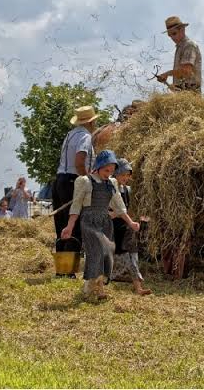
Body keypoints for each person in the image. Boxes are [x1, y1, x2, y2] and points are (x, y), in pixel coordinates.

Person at [61, 150, 140, 301]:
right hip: (89, 221)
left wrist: (130, 222)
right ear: (98, 166)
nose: (108, 174)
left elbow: (119, 205)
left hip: (105, 222)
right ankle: (90, 288)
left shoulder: (112, 183)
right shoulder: (85, 181)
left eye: (111, 171)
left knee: (107, 253)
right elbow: (76, 206)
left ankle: (97, 288)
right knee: (97, 250)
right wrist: (70, 226)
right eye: (106, 170)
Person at [52, 106, 98, 275]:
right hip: (73, 181)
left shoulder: (69, 135)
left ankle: (62, 269)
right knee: (75, 223)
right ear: (91, 122)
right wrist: (86, 180)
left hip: (59, 180)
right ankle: (69, 270)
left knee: (62, 225)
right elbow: (80, 161)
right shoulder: (85, 136)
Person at [110, 158, 152, 296]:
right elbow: (105, 212)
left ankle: (138, 288)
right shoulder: (108, 188)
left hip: (127, 229)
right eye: (123, 174)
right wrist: (117, 214)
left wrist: (137, 219)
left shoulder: (128, 190)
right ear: (115, 174)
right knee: (116, 259)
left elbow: (129, 210)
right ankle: (103, 283)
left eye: (128, 175)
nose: (125, 178)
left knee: (133, 257)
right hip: (112, 229)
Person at [156, 16, 202, 93]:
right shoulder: (179, 48)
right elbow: (181, 75)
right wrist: (173, 85)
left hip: (190, 92)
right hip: (182, 92)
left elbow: (186, 71)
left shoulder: (189, 45)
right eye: (170, 35)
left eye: (174, 33)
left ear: (182, 29)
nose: (172, 38)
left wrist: (166, 74)